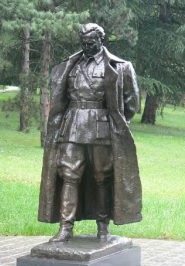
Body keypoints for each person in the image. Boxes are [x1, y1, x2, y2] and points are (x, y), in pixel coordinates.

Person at [38, 23, 142, 242]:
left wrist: (115, 124)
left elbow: (131, 105)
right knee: (68, 176)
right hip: (72, 126)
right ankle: (66, 227)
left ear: (100, 40)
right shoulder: (70, 65)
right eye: (83, 42)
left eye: (91, 42)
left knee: (102, 177)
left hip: (101, 129)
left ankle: (103, 226)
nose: (86, 46)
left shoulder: (120, 66)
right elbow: (60, 100)